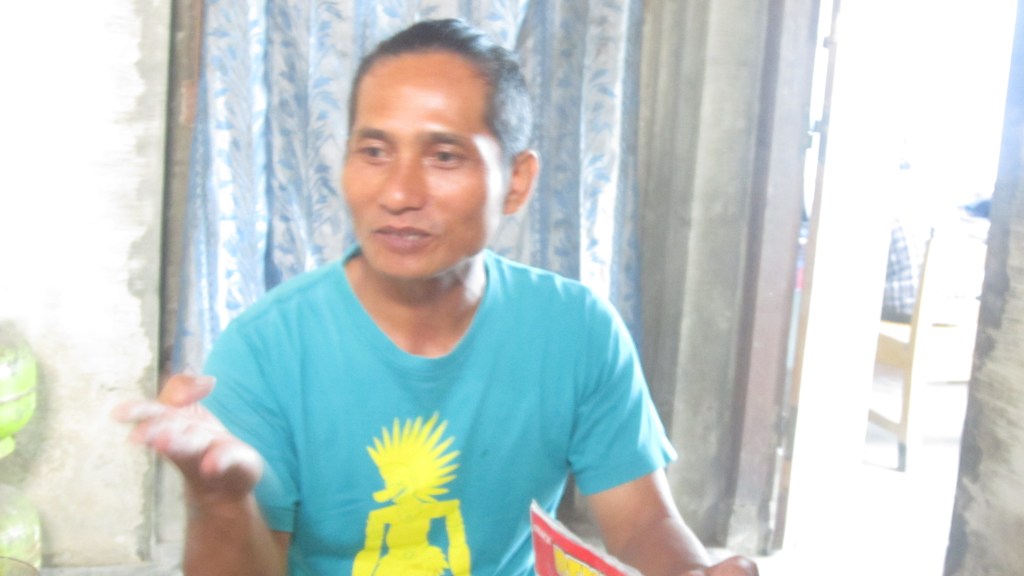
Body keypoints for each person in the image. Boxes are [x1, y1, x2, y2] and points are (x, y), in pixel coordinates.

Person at [115, 18, 758, 576]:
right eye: (374, 151)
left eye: (444, 156)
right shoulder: (265, 350)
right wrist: (220, 502)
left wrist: (691, 571)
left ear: (516, 181)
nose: (398, 193)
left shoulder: (577, 330)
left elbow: (642, 520)